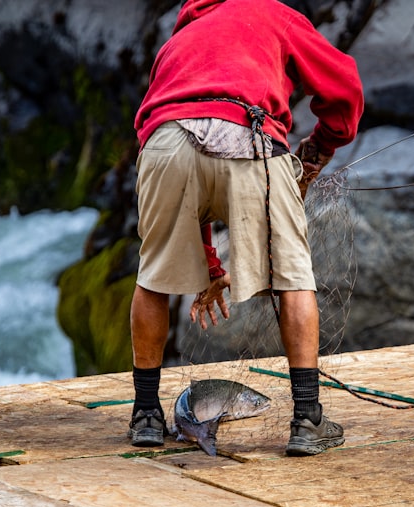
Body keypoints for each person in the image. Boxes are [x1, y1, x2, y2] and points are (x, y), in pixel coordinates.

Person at [128, 0, 364, 456]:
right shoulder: (272, 13)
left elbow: (193, 156)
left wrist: (210, 265)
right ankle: (307, 420)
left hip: (165, 142)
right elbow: (345, 88)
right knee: (292, 278)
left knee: (153, 277)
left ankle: (146, 417)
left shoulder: (177, 41)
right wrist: (319, 148)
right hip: (250, 134)